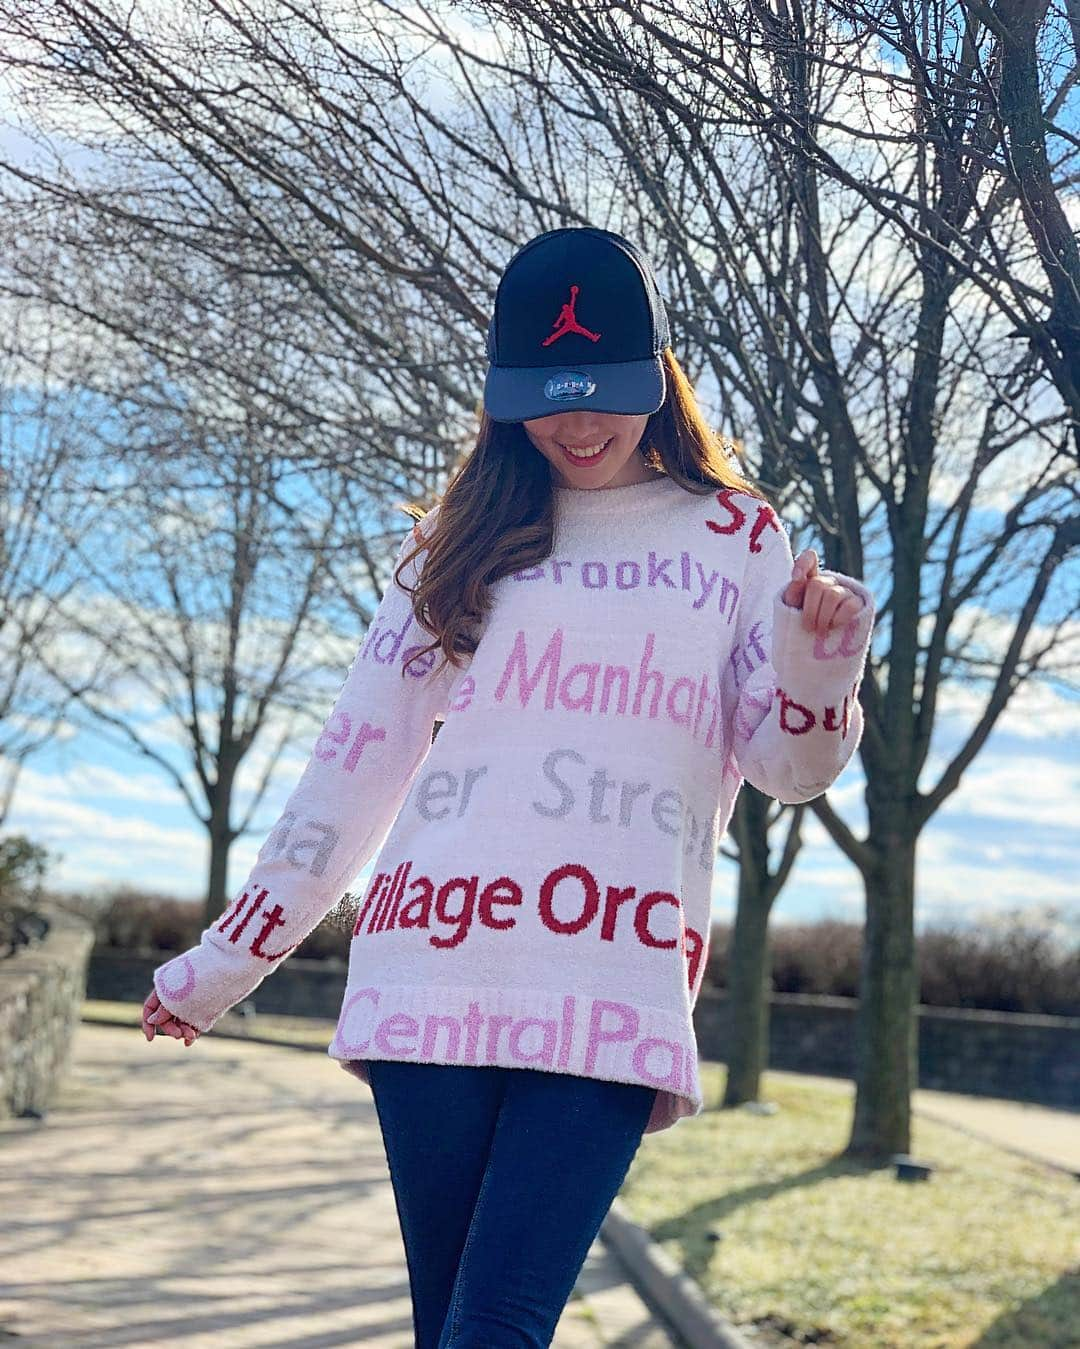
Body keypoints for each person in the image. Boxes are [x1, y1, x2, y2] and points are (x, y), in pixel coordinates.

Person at [143, 226, 875, 1347]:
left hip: (614, 980)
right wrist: (224, 961)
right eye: (545, 396)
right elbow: (354, 764)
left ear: (658, 378)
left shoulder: (741, 536)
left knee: (498, 1322)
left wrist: (821, 662)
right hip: (431, 969)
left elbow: (791, 767)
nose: (578, 425)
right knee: (455, 1325)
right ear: (501, 394)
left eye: (607, 395)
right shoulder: (459, 539)